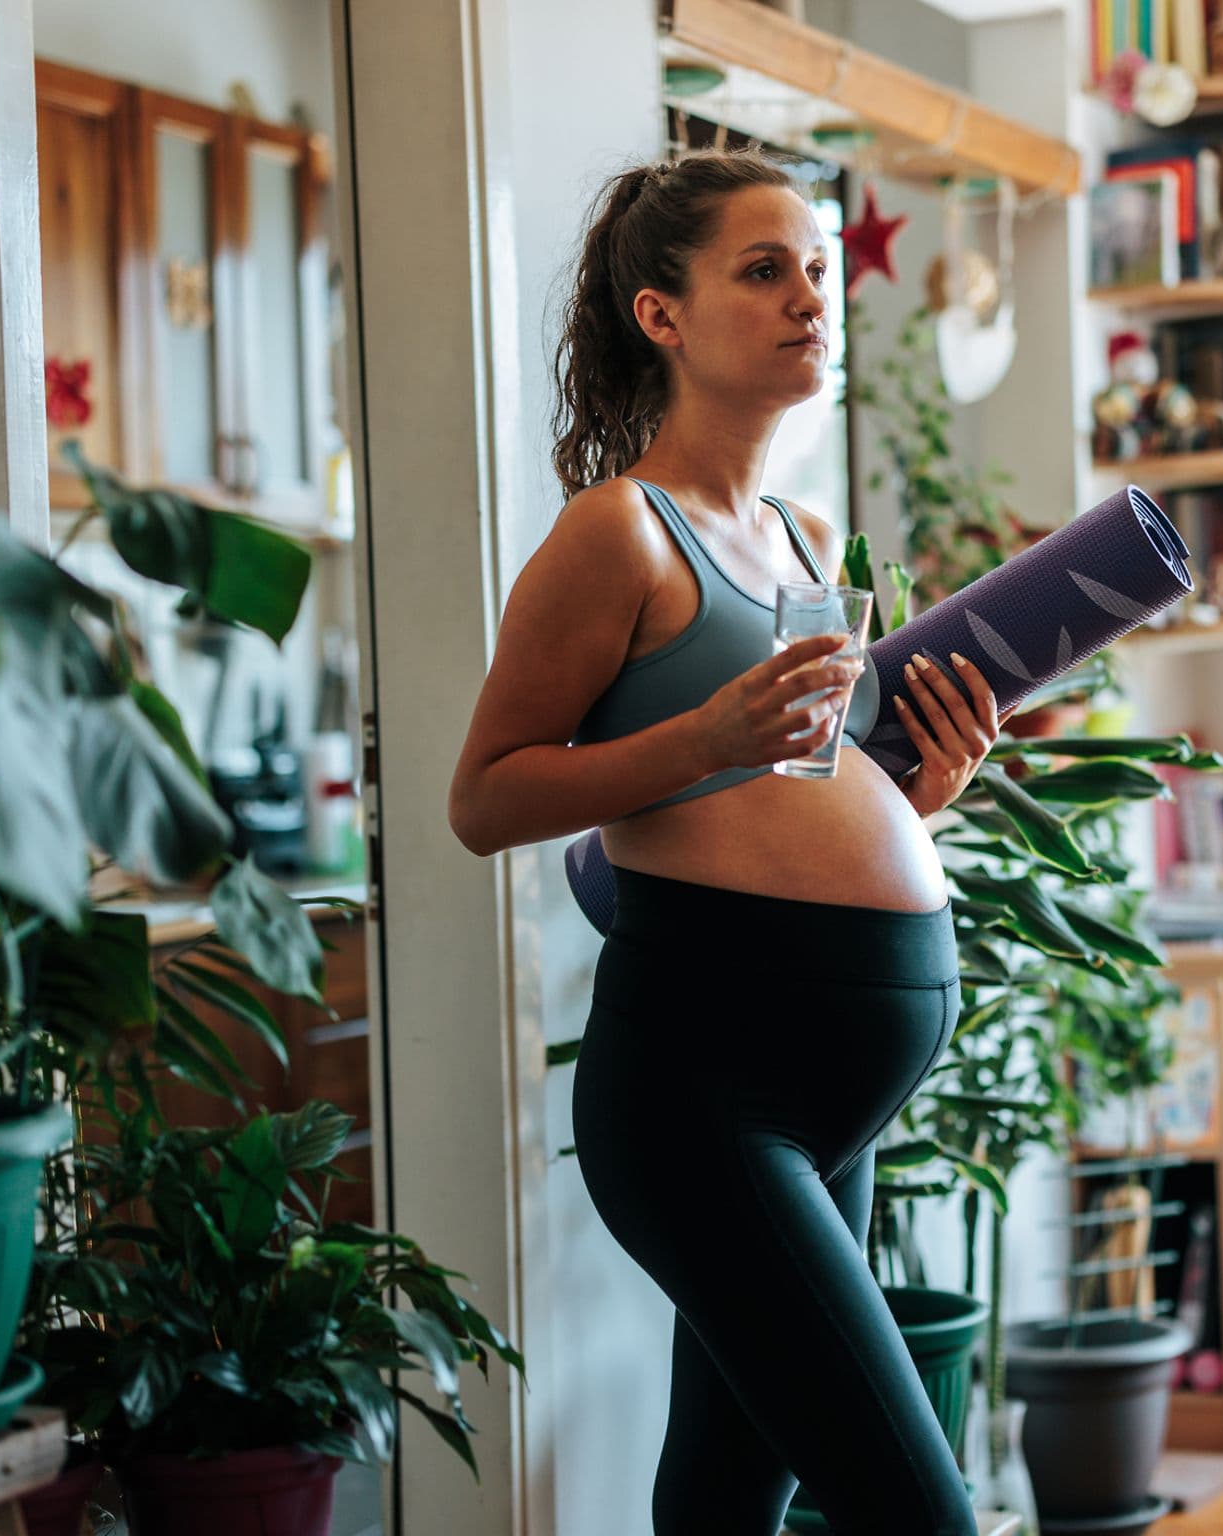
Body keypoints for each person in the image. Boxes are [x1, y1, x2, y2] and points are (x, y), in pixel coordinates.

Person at [447, 146, 1014, 1536]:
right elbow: (484, 796)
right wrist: (699, 741)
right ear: (663, 314)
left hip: (840, 1096)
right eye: (764, 272)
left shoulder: (803, 540)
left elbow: (793, 793)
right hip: (707, 1084)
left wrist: (915, 799)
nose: (809, 298)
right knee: (914, 1510)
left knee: (723, 1495)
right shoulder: (618, 535)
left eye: (816, 270)